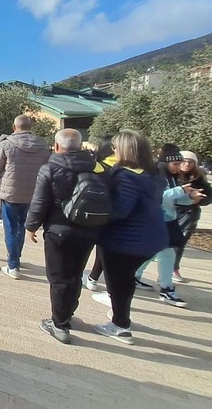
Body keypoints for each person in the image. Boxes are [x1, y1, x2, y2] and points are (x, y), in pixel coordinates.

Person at [24, 129, 101, 344]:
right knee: (76, 275)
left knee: (59, 278)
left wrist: (31, 227)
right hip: (89, 229)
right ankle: (67, 312)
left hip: (59, 230)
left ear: (57, 146)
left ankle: (59, 324)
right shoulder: (98, 167)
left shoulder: (51, 168)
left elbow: (40, 202)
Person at [93, 130, 169, 344]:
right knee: (126, 280)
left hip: (126, 240)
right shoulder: (154, 175)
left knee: (118, 282)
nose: (114, 152)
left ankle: (120, 325)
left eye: (116, 148)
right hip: (151, 238)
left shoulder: (126, 176)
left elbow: (120, 210)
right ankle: (120, 315)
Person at [132, 144, 203, 307]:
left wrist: (191, 198)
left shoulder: (171, 177)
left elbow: (172, 199)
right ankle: (164, 287)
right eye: (176, 164)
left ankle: (145, 279)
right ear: (165, 163)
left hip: (168, 221)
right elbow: (157, 197)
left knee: (162, 252)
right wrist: (180, 191)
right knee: (161, 253)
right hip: (153, 221)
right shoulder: (153, 176)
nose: (179, 168)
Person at [0, 115, 50, 280]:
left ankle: (13, 264)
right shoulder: (42, 145)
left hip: (10, 193)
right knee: (22, 226)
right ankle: (17, 256)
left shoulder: (6, 144)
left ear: (14, 127)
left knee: (10, 228)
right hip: (33, 193)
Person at [174, 150, 212, 282]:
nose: (187, 164)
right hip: (170, 213)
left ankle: (174, 268)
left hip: (189, 215)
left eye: (190, 161)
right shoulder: (171, 176)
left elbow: (209, 197)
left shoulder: (198, 179)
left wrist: (199, 199)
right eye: (184, 161)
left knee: (180, 243)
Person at [84, 137, 116, 292]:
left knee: (87, 247)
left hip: (95, 210)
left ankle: (88, 277)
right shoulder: (126, 166)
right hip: (116, 213)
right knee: (105, 250)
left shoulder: (97, 166)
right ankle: (94, 278)